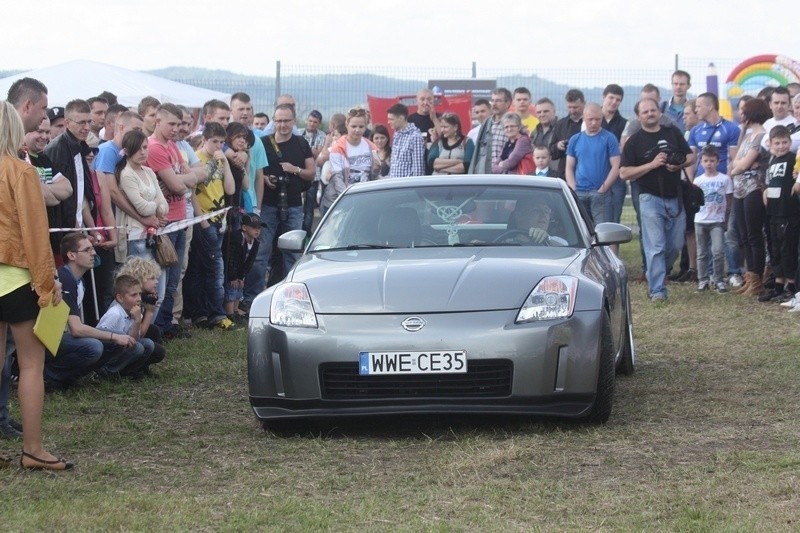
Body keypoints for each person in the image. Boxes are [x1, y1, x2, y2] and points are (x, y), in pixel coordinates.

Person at [0, 99, 72, 471]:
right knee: (30, 365)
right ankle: (32, 449)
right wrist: (48, 284)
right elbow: (34, 233)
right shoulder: (20, 171)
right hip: (16, 280)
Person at [620, 97, 694, 303]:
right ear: (638, 117)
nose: (650, 114)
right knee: (656, 246)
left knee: (675, 245)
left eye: (653, 110)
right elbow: (624, 173)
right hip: (648, 198)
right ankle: (657, 290)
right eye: (645, 112)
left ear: (659, 112)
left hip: (675, 197)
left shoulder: (672, 133)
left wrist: (677, 165)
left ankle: (659, 273)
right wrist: (651, 165)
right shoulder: (634, 141)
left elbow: (690, 157)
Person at [44, 233, 142, 387]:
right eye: (87, 250)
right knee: (94, 346)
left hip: (60, 337)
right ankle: (50, 376)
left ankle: (70, 376)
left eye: (92, 249)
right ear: (71, 255)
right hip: (48, 339)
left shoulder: (79, 281)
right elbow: (76, 329)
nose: (94, 253)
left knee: (125, 342)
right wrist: (113, 336)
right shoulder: (65, 279)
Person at [253, 103, 315, 285]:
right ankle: (253, 296)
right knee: (261, 253)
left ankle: (291, 292)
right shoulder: (263, 143)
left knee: (292, 253)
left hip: (294, 204)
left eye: (287, 121)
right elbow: (255, 171)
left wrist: (295, 170)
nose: (283, 125)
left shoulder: (301, 143)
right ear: (273, 122)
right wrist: (265, 179)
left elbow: (311, 173)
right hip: (268, 204)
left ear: (294, 121)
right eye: (279, 121)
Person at [185, 122, 236, 330]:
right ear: (204, 140)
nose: (218, 146)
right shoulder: (197, 159)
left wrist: (225, 162)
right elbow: (192, 192)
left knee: (203, 266)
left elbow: (230, 190)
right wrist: (201, 219)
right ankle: (216, 313)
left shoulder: (220, 158)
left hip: (218, 218)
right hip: (204, 219)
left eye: (222, 142)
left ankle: (200, 312)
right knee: (215, 267)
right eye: (214, 141)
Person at [115, 129, 170, 308]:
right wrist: (155, 205)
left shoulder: (148, 171)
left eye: (145, 147)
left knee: (159, 287)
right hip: (137, 237)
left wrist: (155, 207)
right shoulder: (126, 173)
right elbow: (142, 207)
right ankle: (138, 330)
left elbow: (164, 205)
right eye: (138, 148)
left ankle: (149, 330)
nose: (143, 152)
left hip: (154, 235)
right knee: (143, 289)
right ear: (128, 150)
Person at [728, 97, 770, 297]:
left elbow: (743, 165)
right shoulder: (747, 136)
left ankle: (758, 281)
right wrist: (739, 167)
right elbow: (736, 162)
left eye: (744, 111)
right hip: (739, 190)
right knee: (743, 235)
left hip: (753, 189)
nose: (740, 114)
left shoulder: (761, 136)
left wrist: (740, 167)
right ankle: (751, 276)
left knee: (754, 236)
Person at [758, 126, 799, 303]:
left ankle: (791, 286)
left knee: (787, 249)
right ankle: (778, 285)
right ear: (770, 144)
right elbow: (770, 183)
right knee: (775, 249)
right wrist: (765, 191)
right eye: (778, 143)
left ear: (790, 143)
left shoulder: (792, 159)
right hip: (773, 212)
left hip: (788, 213)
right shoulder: (772, 161)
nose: (781, 146)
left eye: (785, 142)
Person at [565, 103, 620, 227]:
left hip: (600, 193)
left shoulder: (609, 138)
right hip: (579, 192)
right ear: (584, 118)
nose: (594, 123)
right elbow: (569, 167)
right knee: (581, 229)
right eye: (590, 119)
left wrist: (602, 190)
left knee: (602, 232)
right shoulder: (575, 139)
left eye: (597, 119)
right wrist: (573, 189)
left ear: (602, 118)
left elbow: (616, 166)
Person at [96, 274, 159, 378]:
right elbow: (99, 338)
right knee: (137, 348)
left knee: (148, 344)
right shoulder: (114, 314)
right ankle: (105, 372)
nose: (139, 298)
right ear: (120, 298)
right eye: (134, 295)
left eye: (139, 294)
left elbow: (134, 339)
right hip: (107, 352)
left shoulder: (135, 311)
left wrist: (137, 321)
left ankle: (127, 372)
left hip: (122, 348)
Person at [320, 108, 379, 212]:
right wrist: (349, 202)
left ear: (366, 127)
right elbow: (338, 180)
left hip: (363, 199)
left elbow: (372, 176)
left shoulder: (371, 147)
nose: (357, 130)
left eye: (361, 126)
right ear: (347, 125)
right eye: (353, 126)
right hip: (339, 202)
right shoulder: (338, 148)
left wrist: (376, 169)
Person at [693, 145, 733, 293]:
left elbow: (729, 199)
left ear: (718, 161)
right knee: (701, 252)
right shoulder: (698, 180)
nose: (709, 164)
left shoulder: (725, 179)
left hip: (717, 220)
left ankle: (718, 280)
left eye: (712, 160)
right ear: (701, 162)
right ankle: (702, 280)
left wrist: (726, 219)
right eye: (706, 161)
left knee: (718, 251)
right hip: (700, 220)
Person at [222, 213, 263, 323]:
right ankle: (229, 314)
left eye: (259, 228)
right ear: (244, 228)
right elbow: (230, 259)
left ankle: (235, 311)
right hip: (229, 269)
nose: (257, 230)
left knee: (239, 288)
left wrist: (241, 276)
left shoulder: (256, 242)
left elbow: (249, 262)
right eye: (254, 227)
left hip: (239, 269)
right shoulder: (236, 238)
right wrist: (233, 277)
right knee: (231, 288)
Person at [468, 88, 511, 174]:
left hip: (506, 175)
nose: (494, 104)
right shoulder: (486, 124)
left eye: (498, 101)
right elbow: (477, 154)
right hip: (486, 175)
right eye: (492, 100)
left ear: (508, 103)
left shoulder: (513, 123)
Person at [549, 89, 585, 179]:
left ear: (584, 104)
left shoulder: (591, 123)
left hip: (585, 171)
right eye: (569, 107)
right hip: (564, 173)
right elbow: (551, 152)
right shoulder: (560, 124)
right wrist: (558, 146)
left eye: (576, 107)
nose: (572, 110)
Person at [300, 109, 325, 234]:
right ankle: (297, 230)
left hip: (314, 177)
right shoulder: (299, 133)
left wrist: (304, 150)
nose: (312, 124)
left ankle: (306, 232)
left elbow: (317, 153)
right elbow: (312, 152)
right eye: (310, 121)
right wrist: (312, 150)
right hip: (298, 174)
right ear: (306, 120)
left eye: (315, 122)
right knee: (298, 205)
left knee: (309, 207)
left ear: (319, 123)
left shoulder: (322, 135)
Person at [387, 103, 425, 178]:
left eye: (391, 119)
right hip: (394, 184)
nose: (388, 122)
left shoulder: (415, 137)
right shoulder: (397, 134)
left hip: (407, 186)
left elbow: (418, 169)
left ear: (401, 118)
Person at [531, 98, 558, 175]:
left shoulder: (561, 128)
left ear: (554, 111)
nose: (542, 114)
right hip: (538, 175)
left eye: (546, 111)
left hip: (557, 176)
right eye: (539, 112)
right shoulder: (535, 131)